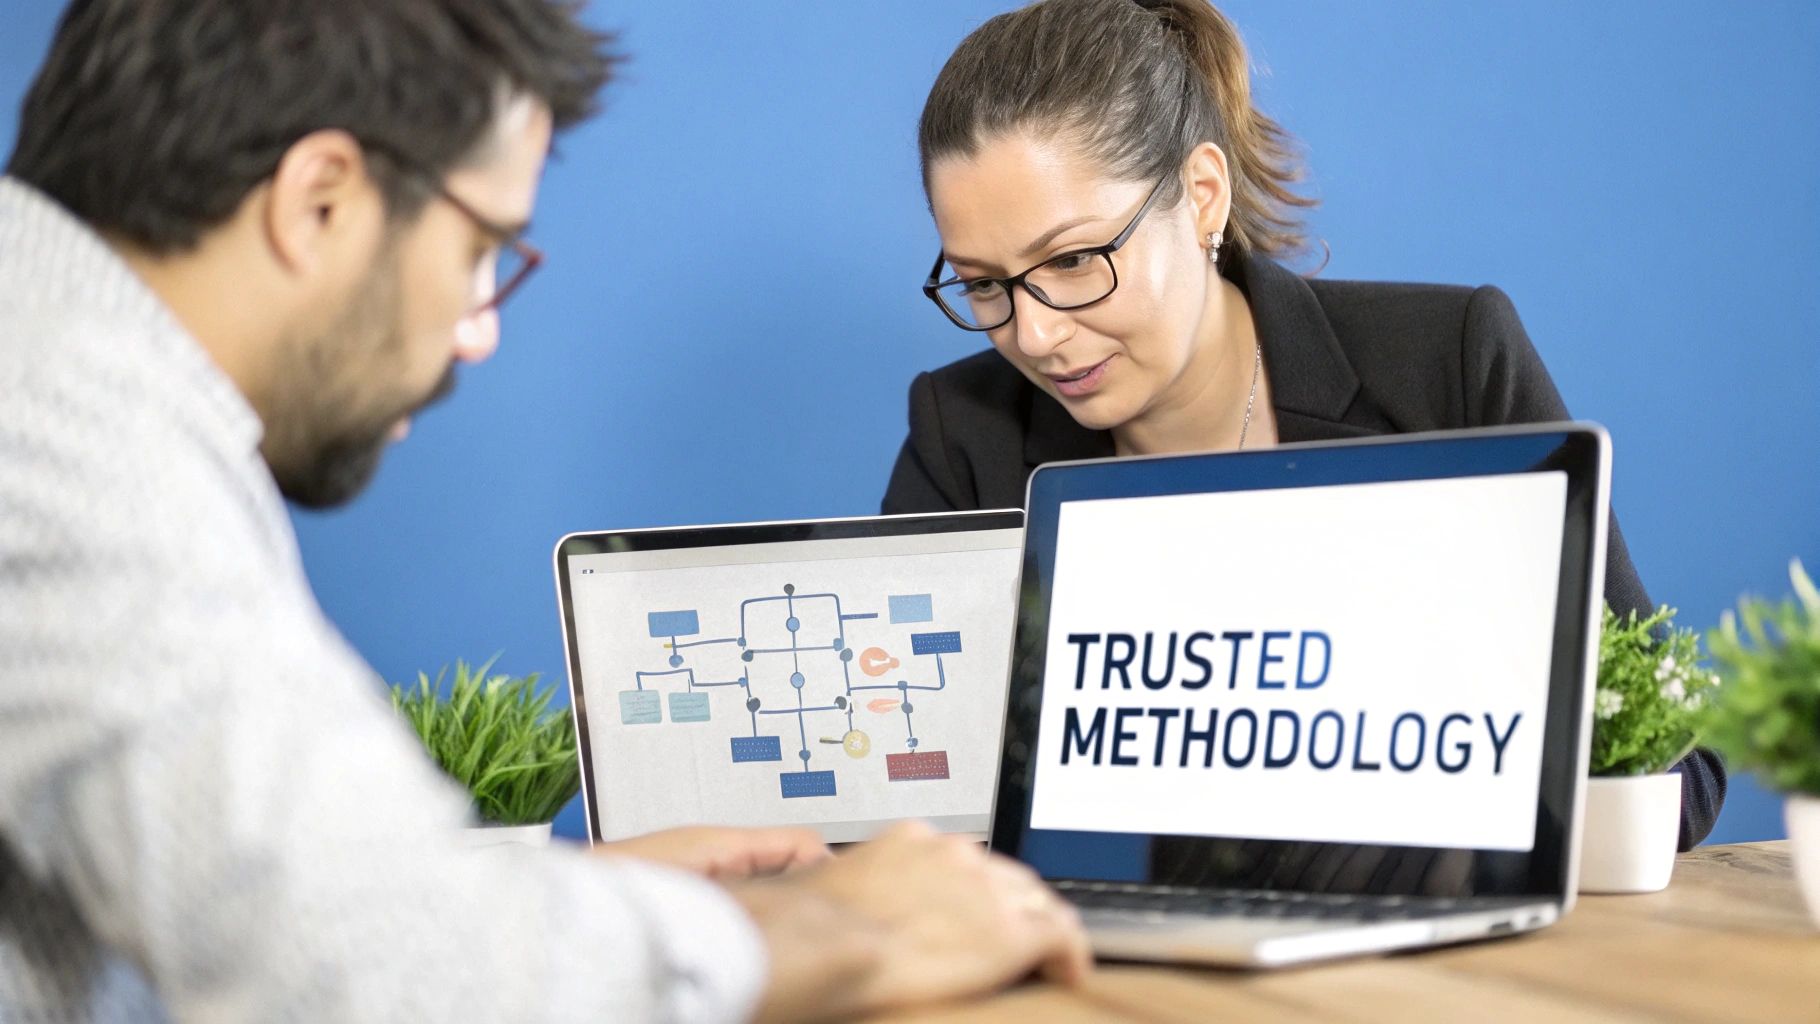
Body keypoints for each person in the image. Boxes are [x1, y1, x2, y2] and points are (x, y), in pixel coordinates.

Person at [0, 2, 1090, 1021]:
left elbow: (285, 884)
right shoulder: (66, 427)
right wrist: (826, 926)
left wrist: (559, 900)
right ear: (318, 199)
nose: (476, 332)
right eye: (480, 251)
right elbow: (367, 963)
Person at [881, 0, 1723, 849]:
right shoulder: (965, 436)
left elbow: (1671, 769)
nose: (1035, 334)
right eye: (985, 283)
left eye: (1071, 261)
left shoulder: (1449, 366)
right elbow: (902, 804)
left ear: (1202, 196)